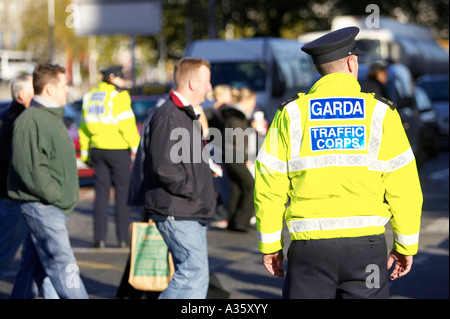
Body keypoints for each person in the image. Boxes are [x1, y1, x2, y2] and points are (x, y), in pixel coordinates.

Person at [254, 27, 423, 299]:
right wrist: (405, 246)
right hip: (365, 248)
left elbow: (269, 185)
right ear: (351, 62)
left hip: (310, 249)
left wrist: (271, 245)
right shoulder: (381, 113)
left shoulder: (291, 114)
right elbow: (404, 187)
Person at [7, 63, 88, 299]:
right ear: (50, 89)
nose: (68, 90)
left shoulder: (49, 117)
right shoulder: (31, 120)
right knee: (64, 266)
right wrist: (58, 195)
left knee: (37, 270)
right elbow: (30, 170)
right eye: (64, 85)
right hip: (44, 207)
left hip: (50, 207)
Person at [143, 57, 216, 299]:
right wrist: (192, 188)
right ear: (193, 83)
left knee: (194, 275)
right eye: (206, 81)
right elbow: (164, 166)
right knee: (192, 274)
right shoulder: (169, 115)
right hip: (178, 209)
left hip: (186, 208)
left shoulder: (183, 114)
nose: (209, 87)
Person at [78, 66, 140, 248]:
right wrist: (137, 148)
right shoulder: (119, 96)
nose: (124, 81)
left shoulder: (90, 96)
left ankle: (99, 239)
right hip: (119, 150)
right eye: (121, 78)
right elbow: (127, 125)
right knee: (122, 195)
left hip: (97, 150)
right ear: (112, 78)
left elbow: (83, 127)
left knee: (101, 195)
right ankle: (123, 239)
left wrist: (85, 151)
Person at [0, 75, 34, 277]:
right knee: (4, 253)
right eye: (33, 90)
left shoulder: (6, 116)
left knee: (33, 259)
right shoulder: (19, 121)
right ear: (22, 94)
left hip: (11, 194)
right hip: (14, 196)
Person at [222, 87, 257, 232]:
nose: (253, 106)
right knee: (251, 185)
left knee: (237, 188)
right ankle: (242, 220)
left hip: (231, 155)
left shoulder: (236, 116)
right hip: (235, 155)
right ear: (246, 100)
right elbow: (237, 138)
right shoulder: (237, 116)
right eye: (252, 102)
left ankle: (233, 220)